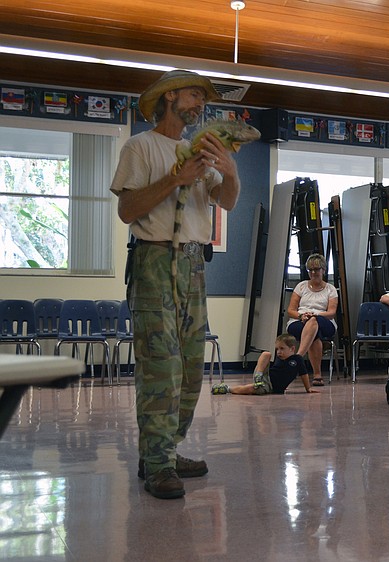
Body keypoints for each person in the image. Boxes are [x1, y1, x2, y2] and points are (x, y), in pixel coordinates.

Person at [111, 69, 240, 499]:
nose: (199, 103)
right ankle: (158, 462)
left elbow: (227, 200)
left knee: (189, 370)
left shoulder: (198, 151)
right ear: (168, 98)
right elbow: (128, 209)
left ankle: (162, 451)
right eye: (191, 94)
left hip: (193, 267)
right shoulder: (140, 147)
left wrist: (231, 170)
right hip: (154, 262)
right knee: (160, 369)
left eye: (202, 97)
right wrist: (176, 180)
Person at [286, 253, 338, 387]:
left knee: (314, 322)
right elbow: (291, 310)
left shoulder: (330, 289)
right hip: (299, 320)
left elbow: (331, 313)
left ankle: (297, 357)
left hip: (324, 320)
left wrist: (315, 315)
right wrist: (301, 316)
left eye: (317, 269)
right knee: (315, 335)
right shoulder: (301, 286)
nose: (313, 272)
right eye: (311, 270)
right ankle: (317, 375)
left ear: (323, 270)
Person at [211, 334, 318, 395]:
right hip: (264, 376)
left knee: (251, 389)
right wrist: (260, 373)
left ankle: (227, 388)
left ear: (292, 349)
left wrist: (308, 388)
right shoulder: (278, 357)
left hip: (270, 387)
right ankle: (258, 375)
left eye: (282, 349)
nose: (279, 352)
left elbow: (304, 374)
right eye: (277, 349)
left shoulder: (297, 359)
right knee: (266, 353)